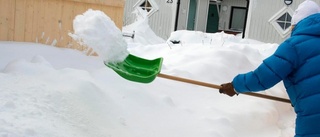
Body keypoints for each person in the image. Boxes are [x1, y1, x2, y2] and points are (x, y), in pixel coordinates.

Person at [219, 0, 320, 137]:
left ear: (297, 23)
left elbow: (263, 77)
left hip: (314, 117)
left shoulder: (294, 46)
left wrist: (235, 85)